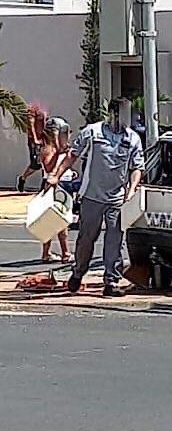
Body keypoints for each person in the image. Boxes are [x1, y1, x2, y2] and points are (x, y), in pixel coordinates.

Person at [46, 99, 145, 297]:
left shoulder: (133, 138)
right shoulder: (93, 132)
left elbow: (137, 167)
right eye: (120, 114)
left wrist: (132, 189)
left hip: (117, 199)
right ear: (112, 114)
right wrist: (56, 174)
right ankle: (78, 272)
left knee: (114, 239)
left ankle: (111, 281)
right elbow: (72, 155)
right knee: (86, 239)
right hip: (91, 196)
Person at [39, 117, 73, 263]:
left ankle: (47, 253)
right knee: (60, 220)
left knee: (54, 220)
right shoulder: (50, 149)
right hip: (55, 186)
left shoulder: (56, 149)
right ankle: (65, 253)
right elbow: (49, 168)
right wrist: (59, 151)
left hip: (62, 184)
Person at [16, 105, 46, 192]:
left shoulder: (43, 109)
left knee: (45, 161)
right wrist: (35, 139)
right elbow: (31, 125)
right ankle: (23, 178)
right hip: (35, 141)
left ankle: (44, 184)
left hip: (43, 140)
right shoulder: (32, 111)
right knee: (35, 164)